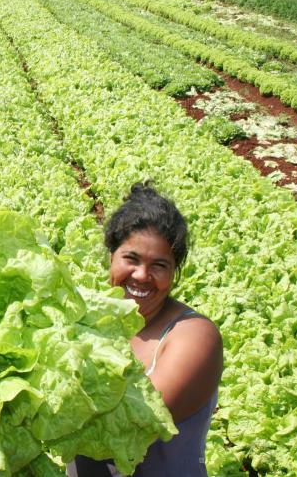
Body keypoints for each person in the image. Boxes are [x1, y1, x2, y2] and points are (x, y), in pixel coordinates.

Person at [71, 182, 223, 477]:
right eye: (131, 258)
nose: (141, 275)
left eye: (159, 265)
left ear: (175, 271)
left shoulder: (194, 336)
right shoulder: (89, 317)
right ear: (111, 256)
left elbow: (136, 422)